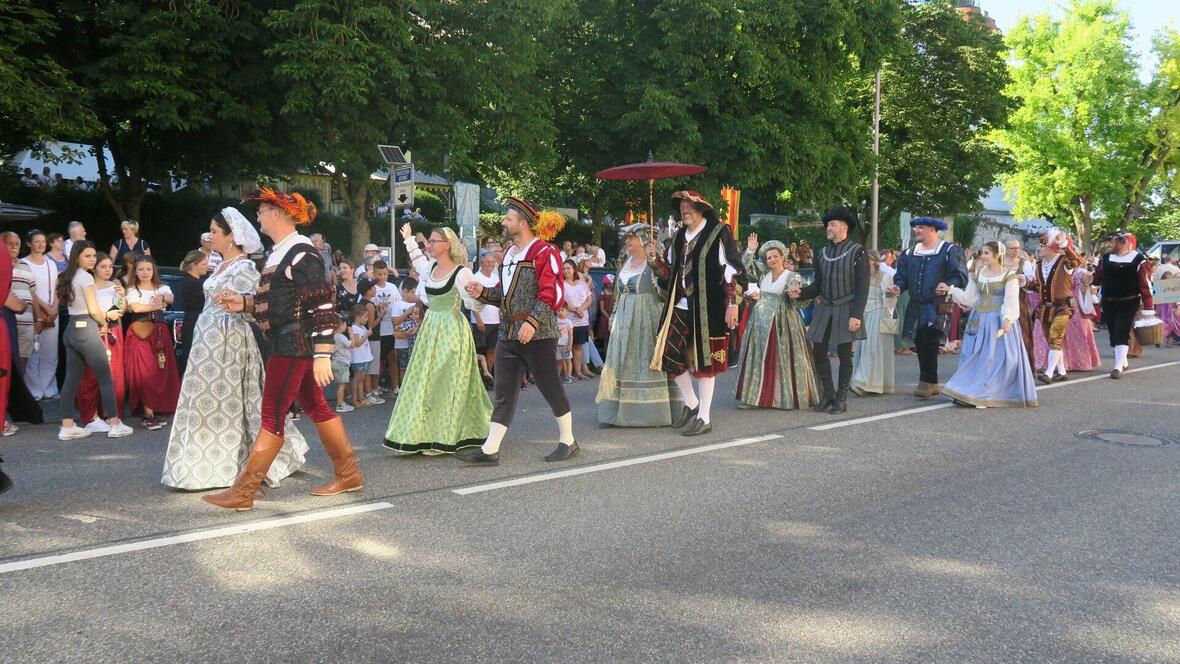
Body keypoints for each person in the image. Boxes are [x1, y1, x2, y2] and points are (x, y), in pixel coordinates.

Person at [203, 188, 362, 510]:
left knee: (272, 413)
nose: (258, 217)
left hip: (294, 346)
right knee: (316, 406)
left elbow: (323, 305)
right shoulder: (283, 252)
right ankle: (349, 474)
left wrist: (322, 354)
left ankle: (244, 491)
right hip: (289, 343)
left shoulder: (302, 252)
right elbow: (281, 303)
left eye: (261, 211)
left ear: (276, 214)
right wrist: (245, 303)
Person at [163, 207, 308, 491]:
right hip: (208, 341)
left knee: (230, 401)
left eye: (215, 232)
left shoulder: (244, 268)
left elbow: (257, 307)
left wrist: (238, 301)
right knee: (205, 401)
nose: (210, 236)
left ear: (231, 237)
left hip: (229, 341)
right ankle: (200, 462)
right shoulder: (219, 265)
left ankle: (234, 463)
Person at [461, 197, 577, 465]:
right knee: (503, 390)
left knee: (549, 386)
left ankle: (569, 441)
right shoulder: (510, 254)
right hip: (508, 332)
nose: (503, 222)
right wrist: (485, 293)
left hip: (538, 333)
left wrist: (533, 322)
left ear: (523, 223)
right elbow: (506, 295)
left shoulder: (544, 252)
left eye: (508, 218)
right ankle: (490, 449)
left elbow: (553, 293)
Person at [383, 224, 491, 455]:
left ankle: (447, 433)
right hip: (430, 329)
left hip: (452, 331)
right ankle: (423, 433)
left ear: (448, 245)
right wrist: (409, 240)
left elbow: (473, 304)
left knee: (449, 381)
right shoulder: (429, 267)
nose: (429, 245)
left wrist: (480, 295)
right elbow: (418, 259)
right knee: (425, 381)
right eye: (429, 242)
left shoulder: (461, 272)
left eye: (433, 242)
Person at [650, 190, 747, 434]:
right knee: (669, 354)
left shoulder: (718, 232)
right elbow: (670, 273)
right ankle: (691, 403)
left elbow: (733, 270)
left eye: (690, 207)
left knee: (706, 362)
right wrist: (654, 260)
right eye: (682, 207)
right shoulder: (679, 236)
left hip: (708, 308)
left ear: (702, 209)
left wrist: (732, 304)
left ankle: (704, 417)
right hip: (680, 305)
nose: (685, 211)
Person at [596, 229, 681, 426]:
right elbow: (617, 293)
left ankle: (650, 413)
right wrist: (614, 315)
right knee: (621, 360)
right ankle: (613, 413)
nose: (627, 242)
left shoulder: (654, 262)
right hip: (623, 321)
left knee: (644, 359)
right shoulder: (625, 262)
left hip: (646, 319)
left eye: (631, 238)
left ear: (642, 241)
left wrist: (655, 262)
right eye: (626, 238)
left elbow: (666, 287)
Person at [788, 207, 869, 414]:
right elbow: (818, 284)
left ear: (844, 227)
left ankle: (841, 399)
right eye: (828, 225)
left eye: (832, 224)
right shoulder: (822, 253)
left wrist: (856, 314)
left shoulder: (858, 251)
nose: (828, 228)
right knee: (819, 352)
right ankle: (828, 394)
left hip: (847, 307)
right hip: (824, 306)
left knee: (844, 354)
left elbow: (862, 286)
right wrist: (802, 292)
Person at [939, 241, 1039, 408]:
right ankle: (968, 391)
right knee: (973, 356)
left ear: (997, 255)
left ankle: (986, 394)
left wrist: (1007, 318)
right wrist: (950, 290)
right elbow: (969, 298)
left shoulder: (1009, 276)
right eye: (982, 253)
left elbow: (1011, 302)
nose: (983, 256)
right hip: (978, 319)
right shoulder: (978, 274)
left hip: (997, 321)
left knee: (992, 359)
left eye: (986, 253)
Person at [54, 241, 134, 440]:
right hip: (87, 328)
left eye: (92, 256)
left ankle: (67, 426)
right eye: (87, 256)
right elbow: (93, 309)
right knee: (105, 378)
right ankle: (115, 424)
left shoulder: (66, 276)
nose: (92, 259)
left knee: (71, 380)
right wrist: (103, 323)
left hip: (71, 328)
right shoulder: (86, 278)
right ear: (77, 257)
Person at [735, 235, 819, 410]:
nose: (772, 259)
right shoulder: (763, 274)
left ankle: (783, 397)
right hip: (759, 322)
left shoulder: (792, 276)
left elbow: (801, 301)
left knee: (781, 358)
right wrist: (750, 250)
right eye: (769, 257)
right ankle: (755, 398)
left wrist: (796, 293)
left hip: (784, 322)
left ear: (783, 257)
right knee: (758, 357)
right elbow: (742, 268)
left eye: (775, 256)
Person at [888, 217, 968, 398]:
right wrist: (898, 287)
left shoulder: (948, 250)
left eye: (920, 228)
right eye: (915, 227)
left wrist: (948, 285)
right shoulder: (909, 254)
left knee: (931, 341)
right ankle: (931, 382)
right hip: (916, 304)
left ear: (932, 229)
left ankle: (925, 381)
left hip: (938, 303)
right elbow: (902, 277)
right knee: (919, 342)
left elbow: (960, 275)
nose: (916, 230)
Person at [124, 257, 181, 429]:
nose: (145, 272)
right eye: (141, 269)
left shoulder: (162, 287)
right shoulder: (132, 289)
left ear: (153, 270)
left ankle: (157, 409)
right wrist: (157, 305)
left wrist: (163, 297)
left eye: (148, 269)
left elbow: (171, 297)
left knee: (160, 371)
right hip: (140, 331)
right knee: (145, 372)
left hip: (160, 332)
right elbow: (136, 308)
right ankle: (148, 414)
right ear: (135, 271)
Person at [73, 255, 127, 433]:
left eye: (110, 266)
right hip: (95, 331)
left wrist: (121, 297)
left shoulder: (114, 285)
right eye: (103, 266)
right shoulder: (88, 286)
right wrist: (103, 318)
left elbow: (122, 309)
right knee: (91, 375)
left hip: (114, 332)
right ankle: (90, 415)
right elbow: (87, 309)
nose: (107, 270)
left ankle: (112, 414)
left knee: (114, 374)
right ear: (94, 268)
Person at [1092, 231, 1156, 379]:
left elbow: (1146, 286)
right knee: (1113, 332)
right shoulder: (1106, 258)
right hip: (1108, 301)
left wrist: (1148, 308)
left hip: (1129, 301)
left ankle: (1117, 367)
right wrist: (1089, 280)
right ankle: (1123, 361)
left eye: (1112, 241)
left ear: (1124, 242)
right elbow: (1097, 277)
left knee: (1122, 330)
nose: (1109, 244)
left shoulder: (1139, 260)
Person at [1024, 228, 1082, 384]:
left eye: (1043, 245)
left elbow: (1077, 261)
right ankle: (1062, 371)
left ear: (1052, 247)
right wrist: (1025, 283)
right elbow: (1038, 286)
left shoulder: (1064, 262)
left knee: (1055, 338)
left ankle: (1049, 373)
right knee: (1051, 339)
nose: (1040, 248)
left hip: (1063, 306)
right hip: (1046, 308)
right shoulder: (1039, 264)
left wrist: (1064, 244)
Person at [850, 249, 897, 396]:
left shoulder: (883, 276)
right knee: (863, 348)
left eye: (867, 260)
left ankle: (862, 381)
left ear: (873, 261)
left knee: (872, 349)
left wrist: (891, 294)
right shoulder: (859, 277)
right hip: (863, 314)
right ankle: (865, 381)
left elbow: (890, 299)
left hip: (877, 313)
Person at [20, 230, 59, 400]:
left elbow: (57, 287)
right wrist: (45, 308)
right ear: (29, 244)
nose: (41, 244)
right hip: (32, 312)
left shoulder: (50, 263)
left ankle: (49, 388)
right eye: (37, 241)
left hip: (52, 313)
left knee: (51, 353)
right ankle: (34, 390)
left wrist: (55, 307)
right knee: (34, 352)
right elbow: (30, 290)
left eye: (43, 241)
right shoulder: (23, 263)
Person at [1002, 240, 1038, 374]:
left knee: (1022, 334)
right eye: (1012, 248)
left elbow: (1034, 285)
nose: (1016, 250)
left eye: (1017, 247)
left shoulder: (1025, 263)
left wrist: (1023, 281)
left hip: (1019, 303)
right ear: (1005, 249)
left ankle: (1024, 367)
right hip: (1000, 303)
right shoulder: (999, 262)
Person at [4, 233, 36, 369]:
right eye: (9, 243)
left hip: (26, 322)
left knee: (22, 361)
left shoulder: (26, 266)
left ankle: (18, 389)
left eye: (16, 244)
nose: (13, 246)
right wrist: (19, 306)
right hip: (5, 322)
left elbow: (33, 294)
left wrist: (38, 318)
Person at [175, 250, 208, 377]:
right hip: (195, 321)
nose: (208, 266)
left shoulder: (192, 281)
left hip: (193, 319)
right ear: (194, 264)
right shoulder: (193, 283)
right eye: (204, 264)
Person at [470, 251, 500, 387]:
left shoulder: (496, 277)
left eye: (493, 262)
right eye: (488, 262)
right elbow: (471, 301)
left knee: (492, 349)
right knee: (478, 350)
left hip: (496, 320)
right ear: (481, 263)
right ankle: (477, 380)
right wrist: (478, 319)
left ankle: (488, 378)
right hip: (481, 321)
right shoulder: (475, 277)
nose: (491, 265)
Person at [562, 260, 594, 379]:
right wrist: (575, 310)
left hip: (582, 320)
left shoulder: (582, 283)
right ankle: (567, 374)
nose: (566, 271)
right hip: (568, 320)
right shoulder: (561, 284)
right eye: (564, 269)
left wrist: (581, 309)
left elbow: (589, 299)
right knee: (567, 346)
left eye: (568, 268)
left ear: (574, 269)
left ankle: (579, 372)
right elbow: (561, 302)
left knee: (578, 347)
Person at [348, 303, 374, 407]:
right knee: (357, 378)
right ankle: (354, 399)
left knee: (361, 378)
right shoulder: (355, 328)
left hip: (364, 357)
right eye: (365, 317)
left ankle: (361, 398)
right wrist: (367, 334)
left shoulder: (362, 327)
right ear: (358, 317)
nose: (367, 319)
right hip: (358, 358)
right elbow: (357, 343)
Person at [331, 317, 354, 412]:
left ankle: (341, 402)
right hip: (342, 363)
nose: (346, 326)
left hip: (336, 362)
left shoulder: (334, 336)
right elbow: (352, 345)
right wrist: (351, 335)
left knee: (341, 384)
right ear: (341, 325)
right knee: (342, 385)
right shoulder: (341, 337)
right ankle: (340, 405)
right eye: (345, 324)